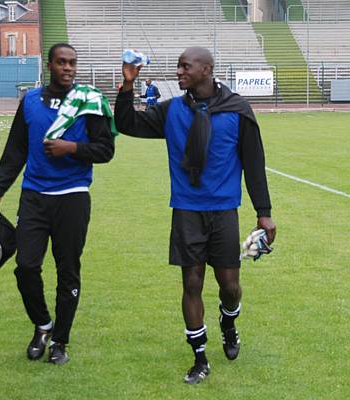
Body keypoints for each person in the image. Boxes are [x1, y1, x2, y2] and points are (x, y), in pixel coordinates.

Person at [115, 47, 276, 384]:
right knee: (191, 283)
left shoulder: (237, 110)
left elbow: (254, 164)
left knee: (230, 286)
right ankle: (200, 358)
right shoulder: (172, 110)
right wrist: (128, 85)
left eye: (185, 66)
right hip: (187, 211)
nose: (179, 72)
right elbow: (127, 124)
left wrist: (264, 213)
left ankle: (228, 323)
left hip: (223, 213)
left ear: (206, 69)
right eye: (178, 67)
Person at [0, 43, 115, 365]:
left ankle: (60, 341)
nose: (68, 68)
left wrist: (71, 148)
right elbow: (16, 150)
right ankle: (43, 325)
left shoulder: (90, 102)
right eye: (61, 62)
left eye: (72, 63)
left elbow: (105, 150)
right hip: (35, 197)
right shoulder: (30, 101)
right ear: (49, 65)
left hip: (73, 198)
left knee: (67, 270)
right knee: (26, 266)